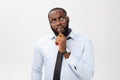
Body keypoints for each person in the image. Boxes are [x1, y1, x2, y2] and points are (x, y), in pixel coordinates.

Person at [31, 7, 95, 80]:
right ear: (50, 23)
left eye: (61, 19)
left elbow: (88, 75)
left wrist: (65, 52)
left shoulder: (85, 42)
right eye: (53, 21)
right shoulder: (41, 44)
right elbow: (36, 71)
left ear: (67, 19)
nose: (58, 23)